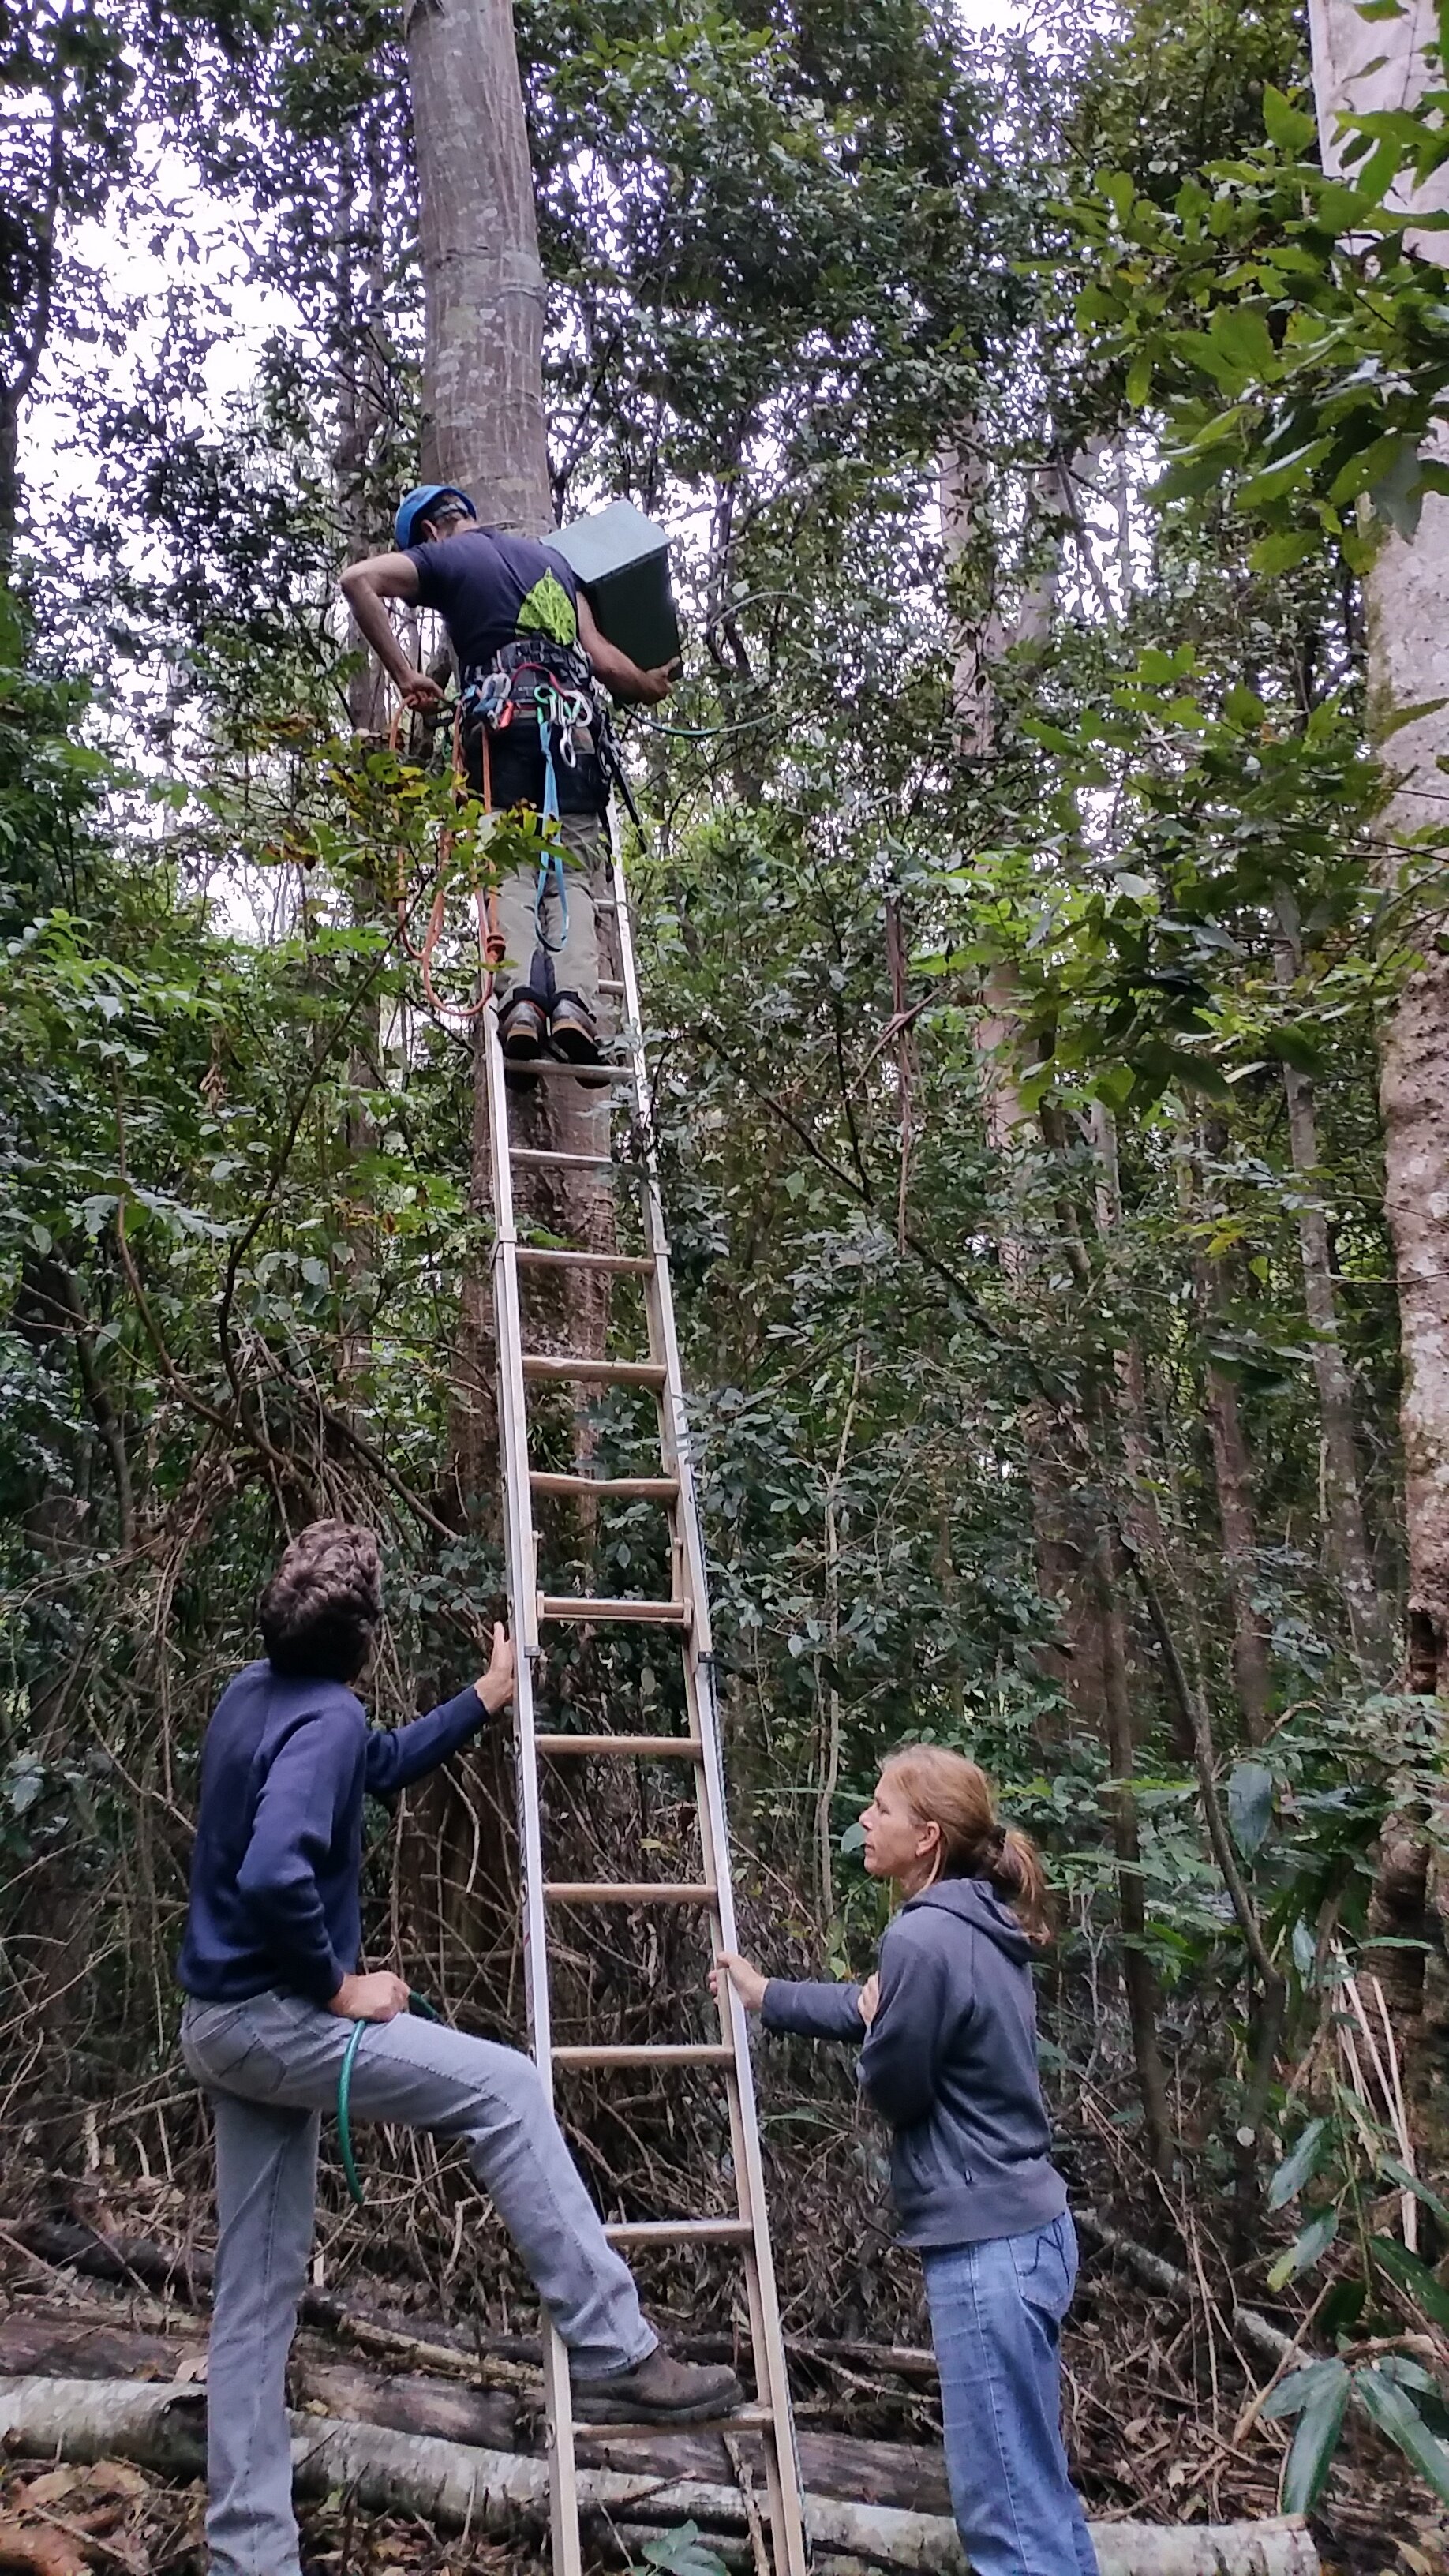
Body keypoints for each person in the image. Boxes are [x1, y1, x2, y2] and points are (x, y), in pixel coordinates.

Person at [178, 1518, 740, 2576]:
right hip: (271, 2022)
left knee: (254, 2295)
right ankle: (618, 2349)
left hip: (219, 2025)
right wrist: (342, 1985)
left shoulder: (256, 1694)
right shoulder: (326, 1720)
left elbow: (376, 1763)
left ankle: (246, 2555)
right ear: (364, 1641)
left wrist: (485, 1699)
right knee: (507, 2088)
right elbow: (272, 1875)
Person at [713, 1745, 1097, 2576]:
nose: (865, 1817)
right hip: (1029, 2230)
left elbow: (895, 2082)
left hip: (986, 2246)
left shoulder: (921, 1936)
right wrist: (767, 1994)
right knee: (1040, 2497)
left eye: (880, 1808)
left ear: (925, 1837)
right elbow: (872, 2008)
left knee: (1006, 2521)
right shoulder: (975, 1919)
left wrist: (878, 2040)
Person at [340, 485, 677, 1075]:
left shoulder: (443, 557)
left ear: (427, 532)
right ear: (467, 515)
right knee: (571, 874)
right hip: (572, 732)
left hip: (500, 731)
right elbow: (600, 658)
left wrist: (405, 675)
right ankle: (573, 1006)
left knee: (509, 873)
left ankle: (521, 1005)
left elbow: (358, 581)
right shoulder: (554, 562)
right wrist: (650, 685)